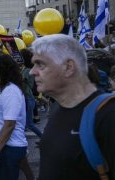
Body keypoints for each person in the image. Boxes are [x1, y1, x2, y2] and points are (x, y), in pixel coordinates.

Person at [30, 34, 115, 179]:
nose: (32, 72)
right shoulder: (59, 107)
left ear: (69, 67)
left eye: (40, 65)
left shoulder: (108, 115)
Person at [0, 54, 27, 180]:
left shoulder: (11, 91)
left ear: (1, 70)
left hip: (9, 148)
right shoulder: (2, 88)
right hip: (1, 146)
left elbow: (9, 124)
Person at [20, 49, 42, 138]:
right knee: (23, 124)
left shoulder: (27, 70)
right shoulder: (25, 68)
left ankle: (43, 137)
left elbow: (23, 85)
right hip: (28, 98)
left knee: (29, 124)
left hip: (28, 98)